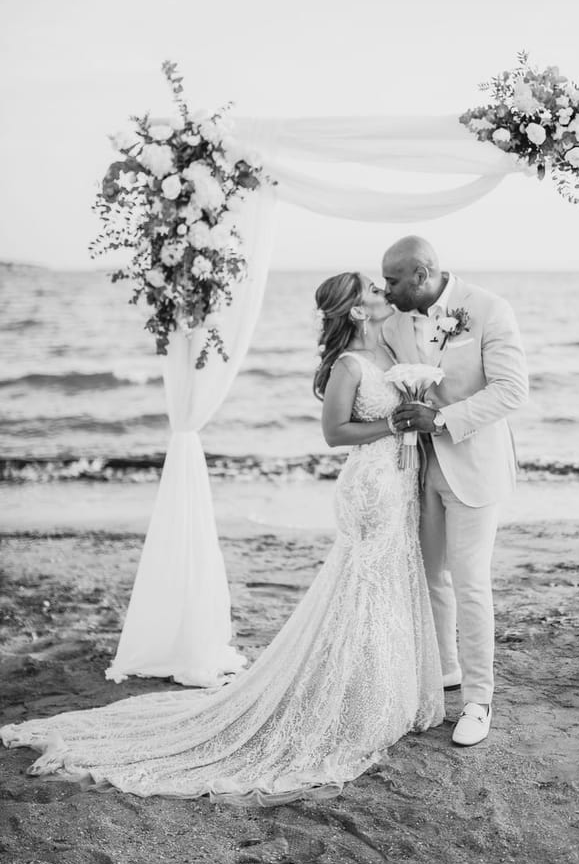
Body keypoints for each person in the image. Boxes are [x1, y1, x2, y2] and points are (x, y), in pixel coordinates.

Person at [0, 273, 444, 803]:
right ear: (356, 311)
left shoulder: (390, 347)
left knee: (385, 586)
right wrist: (391, 427)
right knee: (364, 587)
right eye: (373, 289)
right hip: (369, 486)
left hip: (397, 484)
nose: (382, 291)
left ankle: (378, 693)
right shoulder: (349, 365)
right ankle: (358, 703)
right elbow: (333, 434)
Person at [381, 237, 529, 747]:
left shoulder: (488, 309)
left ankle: (478, 701)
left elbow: (512, 389)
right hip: (419, 470)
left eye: (393, 281)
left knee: (470, 582)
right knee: (430, 578)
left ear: (422, 275)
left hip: (476, 466)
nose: (386, 291)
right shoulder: (393, 324)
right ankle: (444, 672)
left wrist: (442, 418)